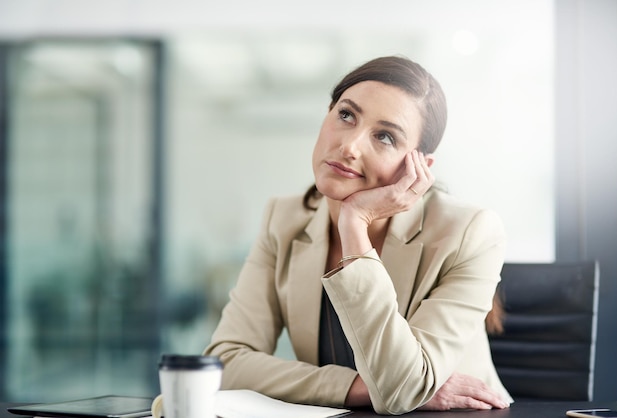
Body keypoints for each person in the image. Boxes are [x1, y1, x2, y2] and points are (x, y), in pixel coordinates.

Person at [204, 55, 512, 415]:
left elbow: (400, 390)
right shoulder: (283, 219)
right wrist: (357, 387)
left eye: (384, 136)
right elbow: (225, 362)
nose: (350, 147)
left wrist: (355, 222)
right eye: (346, 115)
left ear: (419, 167)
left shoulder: (471, 232)